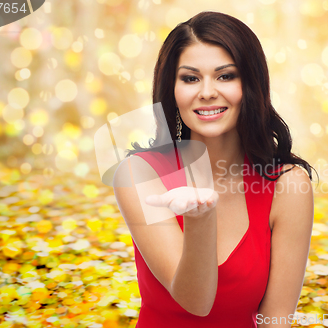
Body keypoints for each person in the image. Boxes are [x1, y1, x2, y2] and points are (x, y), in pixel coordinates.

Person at [113, 11, 315, 327]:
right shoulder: (139, 174)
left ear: (251, 85)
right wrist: (200, 218)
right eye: (190, 78)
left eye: (225, 76)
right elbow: (195, 302)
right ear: (172, 90)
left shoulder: (287, 185)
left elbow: (276, 320)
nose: (207, 92)